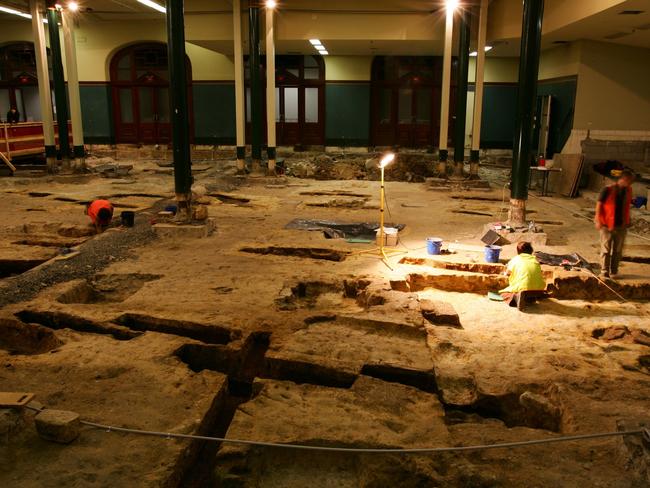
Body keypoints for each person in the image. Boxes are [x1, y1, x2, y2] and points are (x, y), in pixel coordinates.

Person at [595, 169, 635, 278]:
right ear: (623, 179)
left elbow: (626, 206)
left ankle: (614, 271)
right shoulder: (608, 190)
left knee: (618, 250)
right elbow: (599, 204)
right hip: (606, 224)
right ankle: (604, 271)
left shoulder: (628, 190)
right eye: (629, 180)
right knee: (606, 249)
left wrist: (627, 221)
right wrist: (598, 220)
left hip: (620, 225)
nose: (630, 183)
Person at [499, 242, 546, 310]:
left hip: (522, 288)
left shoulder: (515, 259)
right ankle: (530, 297)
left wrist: (504, 273)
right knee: (530, 291)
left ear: (518, 251)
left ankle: (517, 296)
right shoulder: (535, 260)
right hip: (539, 289)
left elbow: (508, 273)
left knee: (504, 293)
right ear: (531, 250)